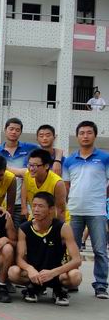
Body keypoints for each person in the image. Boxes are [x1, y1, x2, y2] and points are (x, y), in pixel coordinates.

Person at [9, 192, 82, 306]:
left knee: (75, 276)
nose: (36, 209)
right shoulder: (24, 228)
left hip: (57, 273)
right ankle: (34, 287)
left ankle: (59, 290)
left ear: (51, 209)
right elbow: (19, 258)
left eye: (40, 206)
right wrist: (30, 269)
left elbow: (77, 260)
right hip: (35, 273)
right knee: (13, 272)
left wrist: (53, 272)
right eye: (34, 205)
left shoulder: (63, 228)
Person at [63, 121, 109, 299]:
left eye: (89, 132)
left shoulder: (104, 158)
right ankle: (71, 281)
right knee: (71, 249)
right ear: (77, 136)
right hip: (75, 210)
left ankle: (101, 285)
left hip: (97, 211)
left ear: (95, 135)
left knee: (100, 250)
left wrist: (100, 198)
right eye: (82, 133)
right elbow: (66, 186)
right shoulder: (69, 160)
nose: (85, 136)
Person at [0, 118, 38, 222]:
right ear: (5, 130)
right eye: (11, 129)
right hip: (1, 202)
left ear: (20, 132)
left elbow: (47, 149)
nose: (14, 132)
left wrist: (58, 155)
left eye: (17, 130)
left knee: (20, 230)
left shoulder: (30, 148)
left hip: (22, 202)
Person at [18, 149, 67, 223]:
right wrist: (24, 207)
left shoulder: (57, 183)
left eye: (35, 166)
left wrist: (59, 228)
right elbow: (7, 169)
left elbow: (61, 210)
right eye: (30, 165)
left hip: (54, 221)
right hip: (36, 219)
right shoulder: (27, 174)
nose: (31, 169)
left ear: (46, 166)